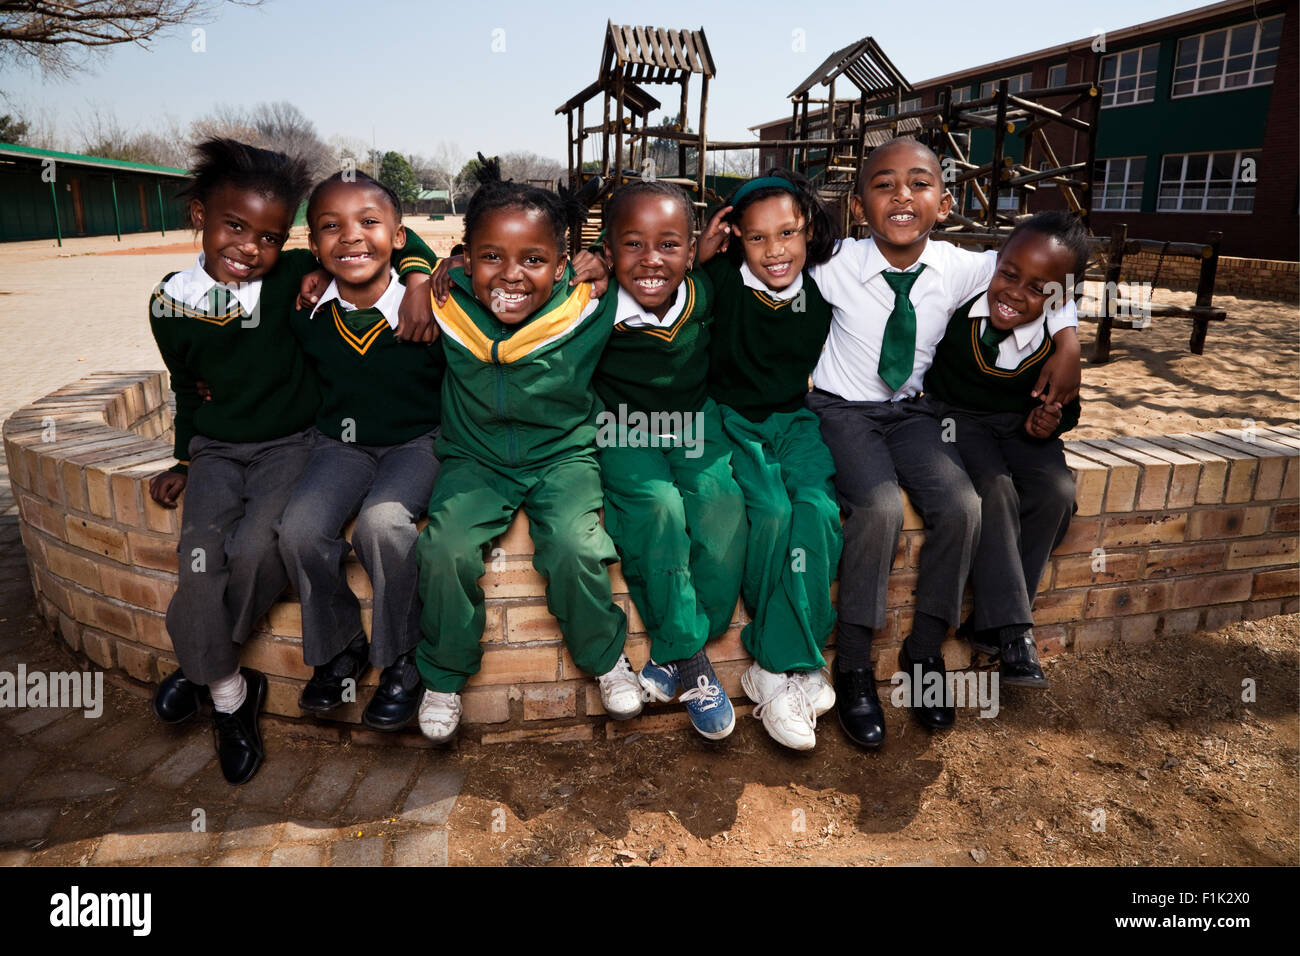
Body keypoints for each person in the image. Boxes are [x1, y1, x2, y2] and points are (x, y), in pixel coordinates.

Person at [146, 139, 437, 784]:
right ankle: (243, 680)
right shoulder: (201, 298)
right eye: (236, 227)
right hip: (260, 451)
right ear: (201, 216)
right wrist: (183, 458)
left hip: (333, 448)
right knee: (246, 547)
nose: (251, 247)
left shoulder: (304, 282)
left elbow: (384, 238)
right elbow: (186, 383)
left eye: (270, 237)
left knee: (310, 538)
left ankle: (399, 661)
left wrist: (418, 276)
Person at [803, 136, 1081, 740]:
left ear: (945, 202)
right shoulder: (834, 262)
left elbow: (1044, 273)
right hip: (842, 410)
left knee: (962, 503)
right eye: (883, 184)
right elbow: (764, 255)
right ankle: (852, 664)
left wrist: (1068, 339)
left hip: (913, 412)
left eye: (919, 184)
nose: (902, 195)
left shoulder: (964, 267)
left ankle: (924, 650)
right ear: (858, 206)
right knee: (876, 509)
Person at [412, 163, 642, 742]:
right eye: (491, 256)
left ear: (562, 264)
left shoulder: (586, 303)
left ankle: (605, 658)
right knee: (444, 548)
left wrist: (607, 259)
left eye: (534, 260)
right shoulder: (447, 300)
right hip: (475, 459)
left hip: (562, 457)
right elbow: (383, 238)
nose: (511, 276)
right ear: (466, 257)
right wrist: (424, 268)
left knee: (572, 544)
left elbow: (658, 261)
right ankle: (443, 674)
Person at [278, 170, 444, 731]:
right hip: (340, 446)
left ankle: (402, 657)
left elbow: (465, 255)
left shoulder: (428, 305)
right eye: (331, 227)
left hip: (417, 443)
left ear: (398, 237)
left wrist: (421, 275)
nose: (350, 237)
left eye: (368, 224)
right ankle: (341, 647)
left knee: (382, 526)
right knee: (299, 529)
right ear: (312, 246)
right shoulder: (307, 310)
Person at [690, 169, 845, 751]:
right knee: (772, 513)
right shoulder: (722, 281)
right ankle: (787, 664)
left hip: (795, 419)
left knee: (817, 510)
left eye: (788, 233)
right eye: (757, 238)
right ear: (736, 238)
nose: (775, 250)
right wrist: (701, 256)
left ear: (808, 230)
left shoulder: (827, 282)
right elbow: (650, 274)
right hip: (733, 419)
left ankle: (774, 667)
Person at [590, 180, 746, 740]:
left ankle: (674, 654)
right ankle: (692, 662)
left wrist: (700, 256)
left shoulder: (702, 292)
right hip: (624, 428)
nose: (651, 260)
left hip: (694, 422)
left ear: (690, 247)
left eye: (669, 245)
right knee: (656, 509)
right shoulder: (595, 303)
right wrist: (430, 269)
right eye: (633, 245)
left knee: (723, 505)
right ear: (608, 252)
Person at [924, 211, 1086, 689]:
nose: (1015, 292)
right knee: (995, 489)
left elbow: (1068, 405)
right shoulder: (960, 312)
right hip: (957, 424)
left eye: (1038, 288)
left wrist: (1050, 418)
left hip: (1022, 431)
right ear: (996, 264)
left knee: (1057, 492)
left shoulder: (1055, 346)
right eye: (1009, 274)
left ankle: (990, 625)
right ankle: (1015, 632)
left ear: (1060, 300)